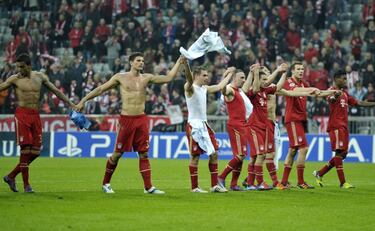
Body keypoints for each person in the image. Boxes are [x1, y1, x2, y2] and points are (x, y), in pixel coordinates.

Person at [75, 52, 184, 194]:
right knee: (117, 153)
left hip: (141, 119)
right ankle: (105, 183)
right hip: (126, 120)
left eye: (143, 61)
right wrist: (83, 100)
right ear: (131, 62)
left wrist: (179, 61)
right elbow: (101, 89)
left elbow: (168, 78)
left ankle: (148, 187)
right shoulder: (120, 77)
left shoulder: (147, 78)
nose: (141, 63)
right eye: (138, 60)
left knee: (144, 153)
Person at [0, 53, 75, 193]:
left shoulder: (40, 77)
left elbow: (56, 90)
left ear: (29, 65)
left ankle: (11, 176)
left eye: (21, 67)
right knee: (25, 150)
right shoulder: (14, 79)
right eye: (17, 67)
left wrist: (71, 103)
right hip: (22, 114)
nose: (19, 70)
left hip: (35, 115)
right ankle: (26, 185)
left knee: (35, 152)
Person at [313, 70, 375, 188]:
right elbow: (331, 99)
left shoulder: (345, 93)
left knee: (343, 154)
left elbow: (358, 103)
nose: (345, 80)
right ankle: (343, 183)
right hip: (336, 126)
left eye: (346, 78)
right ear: (336, 79)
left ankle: (320, 173)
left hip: (344, 126)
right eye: (343, 78)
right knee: (338, 153)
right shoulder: (330, 91)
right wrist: (334, 96)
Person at [277, 61, 337, 190]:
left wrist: (332, 92)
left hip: (300, 120)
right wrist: (312, 90)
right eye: (298, 69)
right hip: (292, 119)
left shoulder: (305, 84)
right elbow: (297, 91)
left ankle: (283, 182)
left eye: (302, 69)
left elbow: (317, 93)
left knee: (293, 151)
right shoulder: (289, 82)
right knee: (303, 148)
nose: (300, 71)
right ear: (292, 71)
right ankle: (300, 181)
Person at [182, 59, 233, 193]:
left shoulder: (204, 89)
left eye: (207, 75)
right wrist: (186, 65)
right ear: (196, 76)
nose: (207, 77)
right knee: (195, 157)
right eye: (204, 75)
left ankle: (214, 185)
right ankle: (194, 188)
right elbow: (188, 77)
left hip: (204, 125)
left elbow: (219, 86)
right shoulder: (190, 88)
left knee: (214, 153)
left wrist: (229, 75)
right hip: (194, 125)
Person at [217, 68, 254, 191]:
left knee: (240, 156)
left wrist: (252, 72)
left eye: (244, 77)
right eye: (241, 78)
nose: (243, 80)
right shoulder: (230, 90)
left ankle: (234, 184)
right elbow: (223, 90)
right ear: (234, 78)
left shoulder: (238, 91)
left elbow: (247, 85)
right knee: (241, 155)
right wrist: (226, 76)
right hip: (236, 125)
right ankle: (221, 177)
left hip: (242, 125)